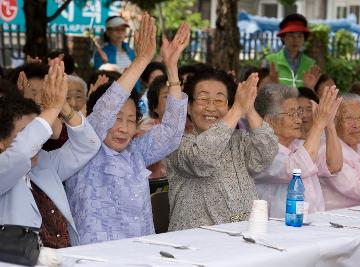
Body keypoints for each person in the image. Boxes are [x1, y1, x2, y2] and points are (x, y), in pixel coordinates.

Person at [66, 16, 190, 245]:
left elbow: (172, 132)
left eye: (131, 120)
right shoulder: (84, 146)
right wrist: (141, 60)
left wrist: (171, 67)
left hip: (140, 255)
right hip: (93, 258)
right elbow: (106, 108)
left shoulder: (136, 152)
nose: (124, 128)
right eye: (117, 119)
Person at [0, 60, 101, 248]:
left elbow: (88, 146)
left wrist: (62, 105)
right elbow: (21, 152)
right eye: (25, 133)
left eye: (35, 129)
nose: (35, 141)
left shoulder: (44, 163)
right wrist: (51, 108)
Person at [167, 68, 278, 231]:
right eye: (203, 99)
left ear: (228, 106)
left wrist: (248, 108)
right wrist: (236, 110)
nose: (211, 107)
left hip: (244, 238)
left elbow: (266, 153)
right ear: (189, 107)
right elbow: (201, 159)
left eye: (219, 100)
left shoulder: (238, 139)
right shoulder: (177, 143)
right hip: (197, 245)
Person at [254, 84, 342, 217]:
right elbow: (298, 167)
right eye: (291, 114)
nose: (299, 120)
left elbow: (334, 165)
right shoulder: (259, 149)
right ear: (270, 121)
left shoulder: (300, 145)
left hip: (313, 224)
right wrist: (318, 124)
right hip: (281, 230)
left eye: (298, 113)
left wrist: (329, 124)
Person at [266, 13, 315, 88]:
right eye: (291, 35)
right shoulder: (269, 61)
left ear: (304, 38)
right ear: (283, 37)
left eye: (299, 36)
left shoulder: (311, 64)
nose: (295, 40)